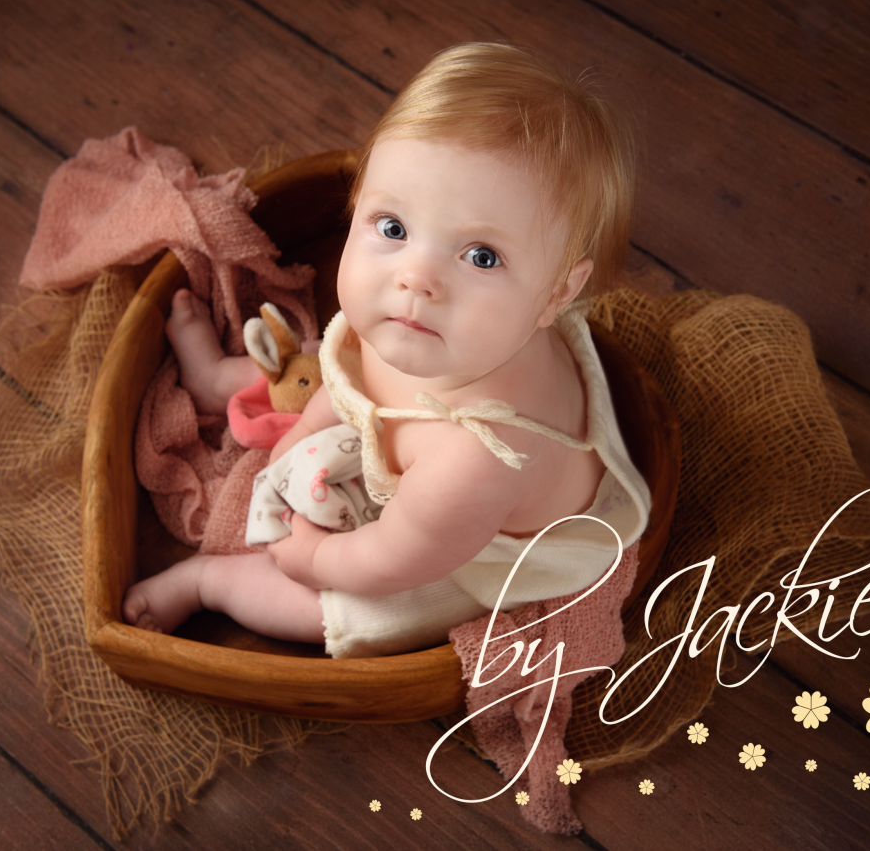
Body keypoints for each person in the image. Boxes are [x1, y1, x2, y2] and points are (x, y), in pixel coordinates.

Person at [122, 43, 651, 658]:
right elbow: (348, 382)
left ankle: (210, 583)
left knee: (352, 614)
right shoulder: (433, 327)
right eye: (394, 228)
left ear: (556, 294)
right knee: (319, 360)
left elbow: (388, 561)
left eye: (481, 256)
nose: (415, 278)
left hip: (471, 546)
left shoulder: (476, 460)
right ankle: (221, 379)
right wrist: (297, 439)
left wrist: (318, 557)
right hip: (421, 464)